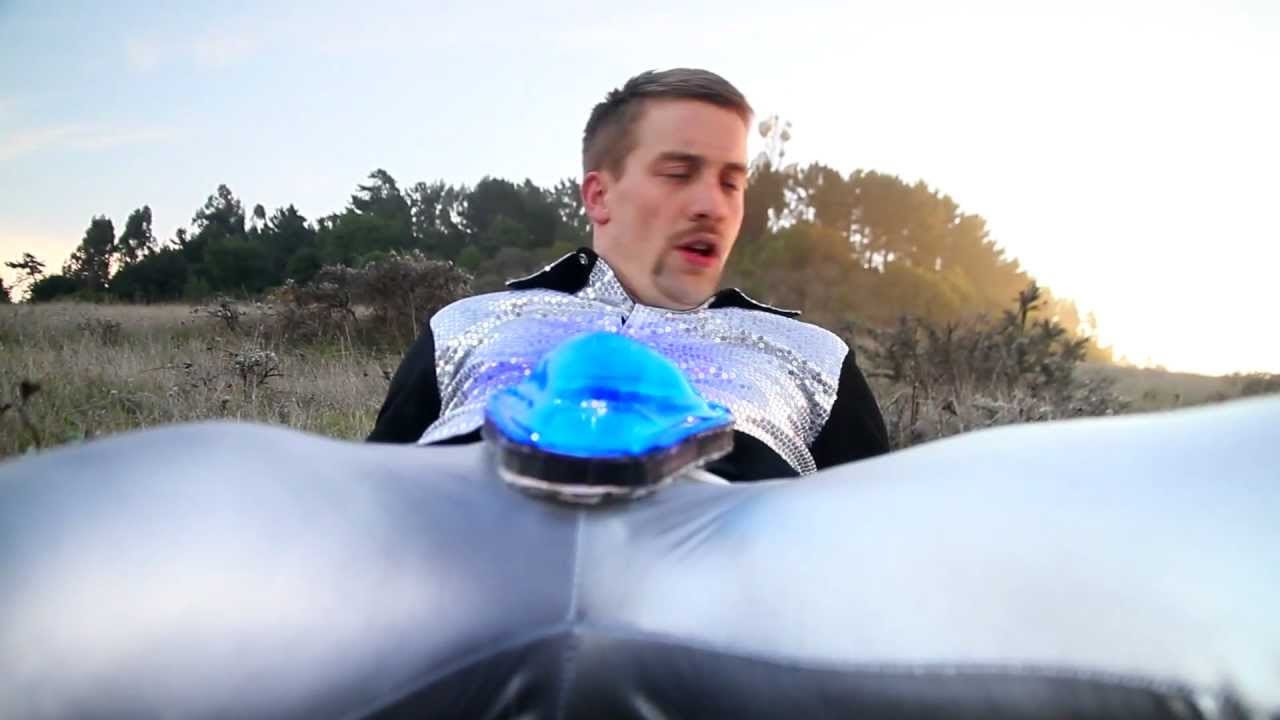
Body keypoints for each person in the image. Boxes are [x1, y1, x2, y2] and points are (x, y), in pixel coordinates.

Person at [368, 68, 888, 480]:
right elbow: (371, 505)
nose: (712, 205)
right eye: (678, 174)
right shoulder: (466, 326)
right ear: (599, 196)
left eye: (731, 183)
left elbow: (874, 545)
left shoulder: (813, 359)